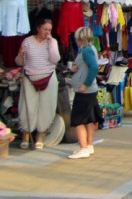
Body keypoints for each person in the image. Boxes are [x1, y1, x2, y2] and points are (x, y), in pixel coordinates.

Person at [15, 18, 60, 150]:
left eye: (49, 30)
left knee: (46, 106)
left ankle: (41, 135)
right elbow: (19, 62)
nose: (47, 32)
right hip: (30, 77)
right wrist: (21, 54)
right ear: (38, 28)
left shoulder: (53, 42)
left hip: (48, 76)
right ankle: (26, 135)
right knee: (27, 106)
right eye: (45, 29)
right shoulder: (27, 41)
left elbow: (55, 60)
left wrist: (50, 44)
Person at [68, 27, 100, 159]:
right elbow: (89, 66)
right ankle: (89, 145)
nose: (76, 41)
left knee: (78, 119)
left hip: (85, 90)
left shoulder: (86, 50)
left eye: (77, 38)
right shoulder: (90, 49)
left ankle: (83, 148)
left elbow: (94, 67)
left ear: (81, 39)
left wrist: (85, 84)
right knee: (88, 119)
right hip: (89, 90)